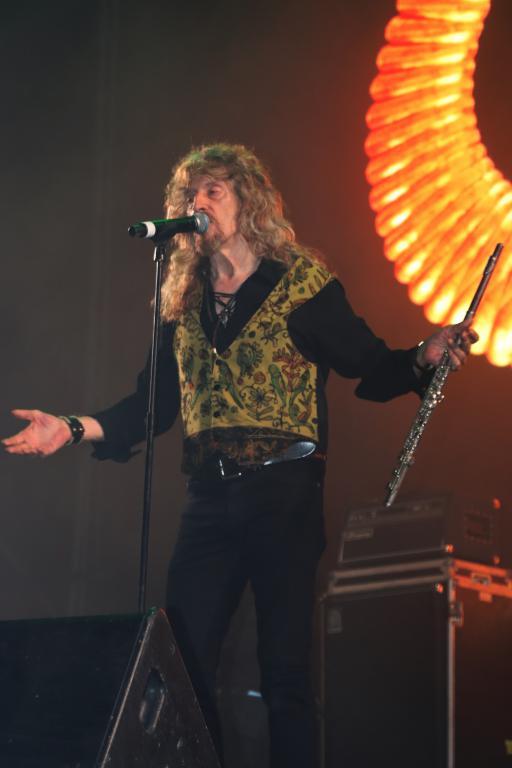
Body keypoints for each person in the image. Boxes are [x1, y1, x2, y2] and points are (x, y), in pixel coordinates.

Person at [2, 143, 477, 768]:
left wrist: (422, 355)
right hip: (209, 500)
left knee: (284, 671)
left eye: (213, 190)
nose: (197, 202)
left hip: (285, 492)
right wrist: (70, 428)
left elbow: (371, 365)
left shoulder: (301, 284)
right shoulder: (181, 301)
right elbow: (152, 406)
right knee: (184, 664)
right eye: (189, 193)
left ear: (246, 199)